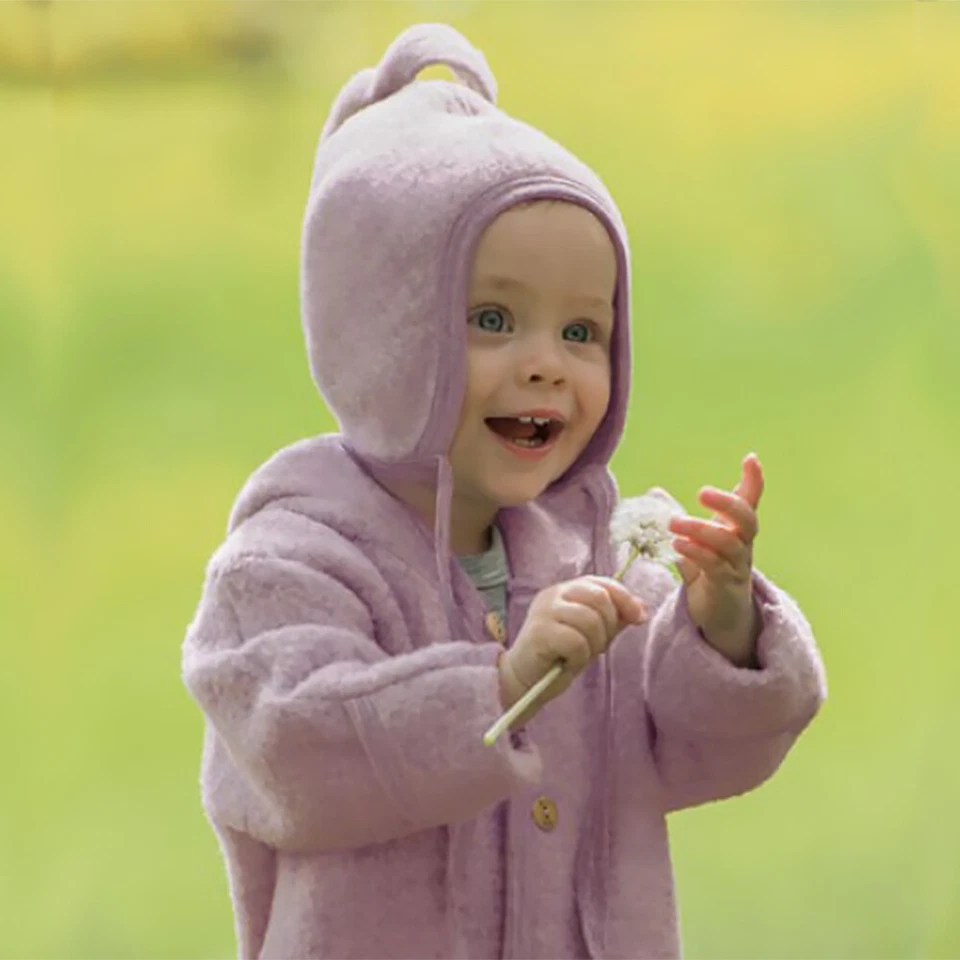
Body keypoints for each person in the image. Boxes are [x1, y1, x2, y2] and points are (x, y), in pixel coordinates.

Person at [181, 23, 827, 960]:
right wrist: (501, 684)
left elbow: (703, 748)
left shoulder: (595, 549)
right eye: (492, 320)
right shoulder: (291, 559)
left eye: (582, 331)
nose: (547, 369)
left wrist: (722, 623)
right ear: (379, 335)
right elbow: (292, 750)